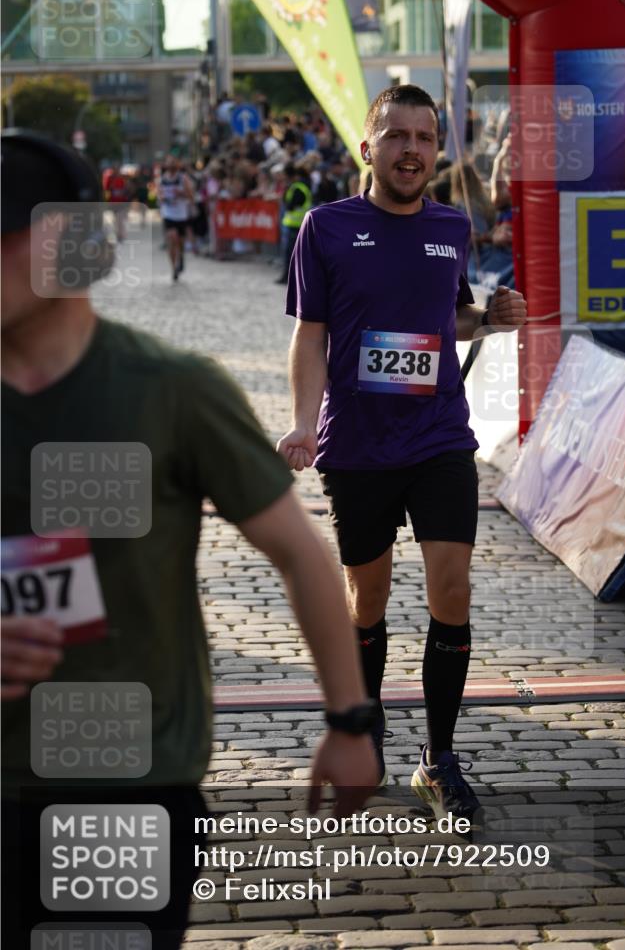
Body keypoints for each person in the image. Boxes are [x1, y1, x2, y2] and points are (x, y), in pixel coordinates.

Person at [1, 129, 378, 947]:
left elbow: (298, 551)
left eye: (4, 233)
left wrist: (349, 721)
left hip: (126, 785)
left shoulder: (170, 391)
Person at [277, 85, 526, 821]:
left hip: (439, 435)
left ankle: (439, 757)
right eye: (396, 136)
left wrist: (489, 318)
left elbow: (451, 316)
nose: (411, 149)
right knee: (369, 600)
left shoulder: (452, 226)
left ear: (436, 149)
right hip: (355, 443)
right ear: (368, 147)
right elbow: (309, 335)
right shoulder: (324, 227)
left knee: (451, 590)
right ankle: (370, 726)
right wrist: (301, 423)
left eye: (424, 137)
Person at [274, 161, 312, 285]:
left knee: (290, 254)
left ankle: (288, 278)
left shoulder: (298, 188)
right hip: (296, 225)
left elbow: (290, 206)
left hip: (295, 226)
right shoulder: (298, 187)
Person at [158, 153, 194, 281]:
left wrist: (182, 193)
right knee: (171, 238)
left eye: (173, 162)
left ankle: (181, 257)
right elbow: (159, 195)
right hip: (168, 213)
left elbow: (191, 196)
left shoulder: (183, 178)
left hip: (181, 214)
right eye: (169, 162)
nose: (171, 165)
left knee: (180, 241)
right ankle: (173, 269)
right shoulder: (162, 179)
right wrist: (162, 198)